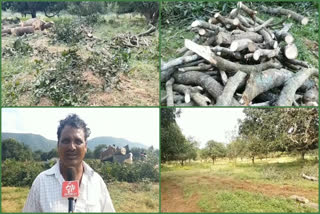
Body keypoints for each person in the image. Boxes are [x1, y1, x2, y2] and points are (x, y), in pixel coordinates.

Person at [23, 114, 115, 212]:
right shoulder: (41, 182)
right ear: (58, 145)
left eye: (78, 141)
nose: (72, 147)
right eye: (66, 141)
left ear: (85, 147)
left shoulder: (97, 182)